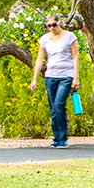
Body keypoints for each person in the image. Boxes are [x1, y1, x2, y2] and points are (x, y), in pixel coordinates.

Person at [27, 15, 81, 148]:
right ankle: (57, 138)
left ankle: (62, 138)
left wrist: (76, 77)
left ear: (60, 23)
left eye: (54, 24)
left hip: (66, 75)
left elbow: (75, 57)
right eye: (49, 25)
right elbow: (40, 60)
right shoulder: (45, 39)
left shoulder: (69, 37)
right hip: (50, 76)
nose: (52, 28)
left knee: (59, 104)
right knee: (53, 108)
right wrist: (34, 79)